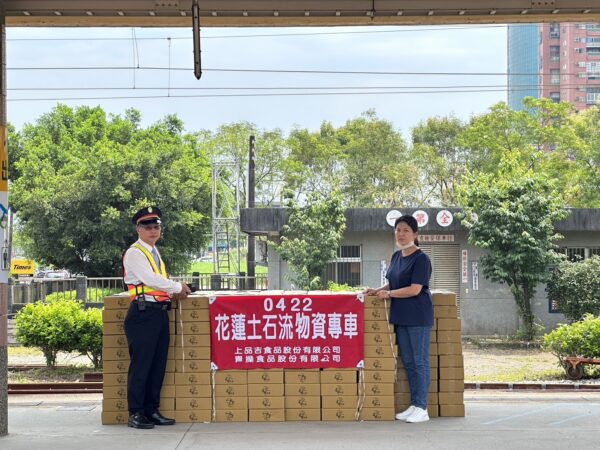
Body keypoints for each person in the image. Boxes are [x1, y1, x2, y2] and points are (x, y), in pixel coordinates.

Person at [123, 206, 192, 429]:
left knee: (157, 366)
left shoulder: (154, 252)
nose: (153, 231)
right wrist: (177, 286)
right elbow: (150, 279)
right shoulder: (135, 252)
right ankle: (136, 413)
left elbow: (157, 281)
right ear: (138, 229)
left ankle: (151, 410)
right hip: (143, 314)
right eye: (147, 227)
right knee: (142, 366)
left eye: (156, 226)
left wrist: (175, 290)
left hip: (158, 313)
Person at [365, 214, 433, 423]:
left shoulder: (421, 259)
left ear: (415, 234)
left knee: (420, 361)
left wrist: (390, 295)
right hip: (401, 316)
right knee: (409, 362)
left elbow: (415, 289)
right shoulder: (396, 257)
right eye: (398, 230)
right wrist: (377, 290)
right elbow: (392, 284)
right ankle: (414, 405)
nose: (401, 234)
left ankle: (422, 408)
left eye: (405, 230)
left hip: (418, 315)